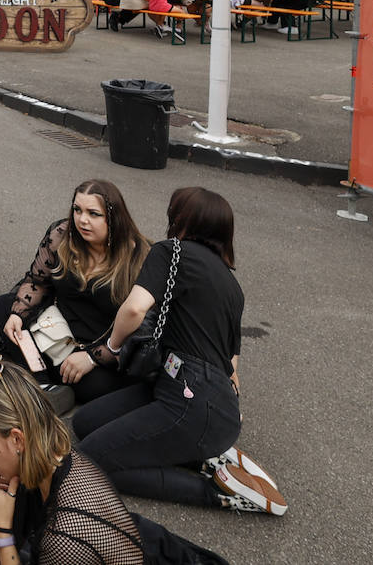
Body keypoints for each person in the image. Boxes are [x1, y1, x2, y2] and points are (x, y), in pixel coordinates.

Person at [73, 188, 286, 515]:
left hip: (189, 400)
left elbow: (134, 310)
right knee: (85, 422)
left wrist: (112, 347)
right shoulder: (233, 287)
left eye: (173, 212)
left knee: (88, 461)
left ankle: (217, 493)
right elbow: (232, 365)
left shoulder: (171, 251)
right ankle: (201, 455)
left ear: (182, 219)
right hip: (198, 398)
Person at [0, 364, 224, 565]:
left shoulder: (66, 538)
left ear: (17, 440)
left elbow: (4, 546)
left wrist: (4, 531)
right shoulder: (41, 462)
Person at [0, 180, 150, 405]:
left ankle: (22, 355)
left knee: (97, 387)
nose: (82, 220)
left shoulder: (139, 257)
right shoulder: (63, 234)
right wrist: (18, 315)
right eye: (77, 210)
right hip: (56, 328)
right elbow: (38, 282)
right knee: (6, 307)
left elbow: (142, 330)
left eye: (94, 214)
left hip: (102, 346)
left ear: (114, 218)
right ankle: (45, 384)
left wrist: (91, 358)